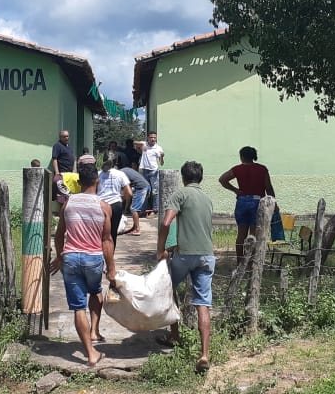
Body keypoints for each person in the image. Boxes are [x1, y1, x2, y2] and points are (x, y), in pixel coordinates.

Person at [48, 164, 115, 367]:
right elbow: (106, 240)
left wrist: (60, 257)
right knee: (95, 291)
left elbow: (59, 236)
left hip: (70, 259)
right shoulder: (104, 206)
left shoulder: (68, 204)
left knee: (78, 307)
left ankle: (89, 350)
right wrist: (111, 268)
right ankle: (94, 332)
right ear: (97, 181)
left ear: (78, 182)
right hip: (93, 259)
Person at [158, 161, 214, 374]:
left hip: (185, 255)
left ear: (183, 178)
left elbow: (166, 222)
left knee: (167, 288)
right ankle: (204, 354)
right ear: (201, 177)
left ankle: (174, 335)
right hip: (207, 255)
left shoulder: (180, 195)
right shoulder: (207, 199)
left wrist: (160, 249)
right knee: (203, 303)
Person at [218, 145, 277, 264]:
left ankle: (240, 262)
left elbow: (222, 179)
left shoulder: (237, 169)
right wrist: (274, 202)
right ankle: (251, 263)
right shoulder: (262, 169)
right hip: (258, 202)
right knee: (254, 234)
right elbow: (268, 187)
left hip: (242, 201)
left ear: (242, 157)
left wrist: (235, 189)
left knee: (241, 234)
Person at [97, 159, 132, 248]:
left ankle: (99, 256)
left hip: (101, 205)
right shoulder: (120, 174)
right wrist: (126, 207)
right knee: (113, 233)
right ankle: (110, 257)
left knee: (99, 232)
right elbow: (129, 193)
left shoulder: (98, 174)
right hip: (116, 205)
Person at [136, 131, 165, 215]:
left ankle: (154, 210)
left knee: (155, 191)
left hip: (153, 171)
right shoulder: (145, 144)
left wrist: (162, 156)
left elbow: (162, 163)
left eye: (154, 137)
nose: (153, 139)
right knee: (144, 190)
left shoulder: (158, 148)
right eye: (151, 137)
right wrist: (142, 146)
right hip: (143, 170)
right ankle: (143, 210)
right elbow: (135, 142)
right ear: (148, 138)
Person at [119, 166, 149, 235]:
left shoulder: (121, 175)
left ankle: (137, 229)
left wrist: (126, 208)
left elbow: (129, 195)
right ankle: (134, 227)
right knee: (135, 209)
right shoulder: (124, 170)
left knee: (134, 209)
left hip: (141, 188)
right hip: (144, 186)